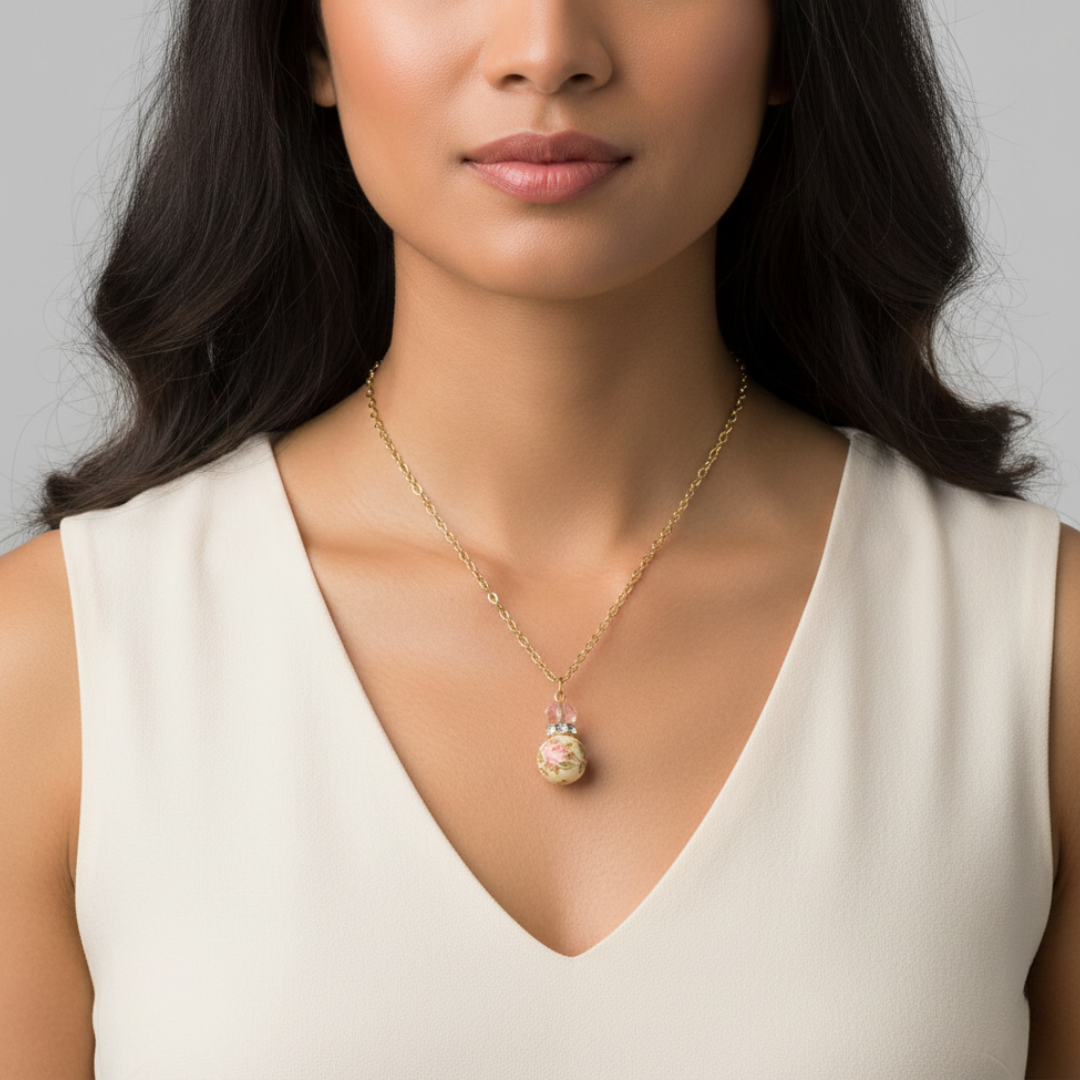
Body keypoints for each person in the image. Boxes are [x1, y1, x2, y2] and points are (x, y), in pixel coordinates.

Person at [1, 0, 1077, 1075]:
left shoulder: (1041, 655)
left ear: (790, 40)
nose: (546, 51)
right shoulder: (55, 665)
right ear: (306, 42)